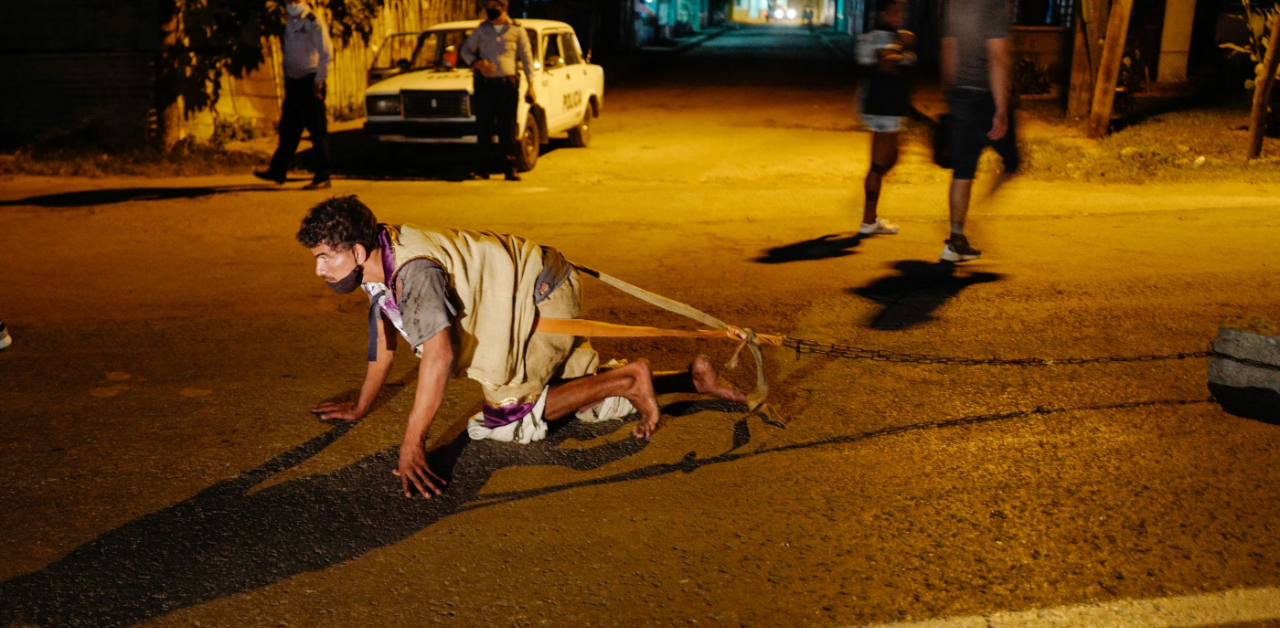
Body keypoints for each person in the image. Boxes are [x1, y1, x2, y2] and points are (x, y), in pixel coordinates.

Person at [298, 196, 746, 498]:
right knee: (579, 396)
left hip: (540, 297)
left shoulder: (413, 273)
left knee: (507, 417)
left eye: (324, 257)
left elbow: (440, 355)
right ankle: (691, 379)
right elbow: (384, 336)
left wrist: (413, 443)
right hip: (537, 283)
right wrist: (360, 405)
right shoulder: (377, 257)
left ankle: (630, 377)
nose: (319, 270)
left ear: (356, 253)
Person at [939, 0, 1018, 261]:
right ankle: (985, 205)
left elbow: (948, 49)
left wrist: (951, 95)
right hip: (985, 98)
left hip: (959, 95)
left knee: (962, 169)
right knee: (1013, 161)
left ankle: (956, 239)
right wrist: (1001, 109)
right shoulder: (993, 5)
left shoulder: (953, 5)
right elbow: (997, 57)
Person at [254, 0, 334, 190]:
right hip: (294, 83)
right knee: (289, 128)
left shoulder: (313, 21)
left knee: (317, 131)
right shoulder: (290, 21)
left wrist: (318, 82)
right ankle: (278, 170)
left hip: (311, 81)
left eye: (295, 0)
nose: (291, 3)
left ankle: (323, 175)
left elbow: (326, 53)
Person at [855, 0, 915, 237]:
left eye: (902, 10)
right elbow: (884, 63)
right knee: (879, 165)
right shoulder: (881, 37)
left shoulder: (880, 35)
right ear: (881, 12)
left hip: (885, 107)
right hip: (884, 108)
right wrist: (902, 44)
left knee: (890, 159)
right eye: (894, 10)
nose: (899, 14)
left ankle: (870, 209)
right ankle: (868, 220)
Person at [460, 0, 536, 182]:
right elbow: (465, 51)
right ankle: (482, 169)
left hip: (507, 85)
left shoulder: (517, 30)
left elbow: (527, 58)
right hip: (485, 85)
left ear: (504, 8)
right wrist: (477, 63)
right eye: (489, 5)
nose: (490, 9)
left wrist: (531, 86)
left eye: (495, 5)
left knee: (507, 127)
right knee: (484, 127)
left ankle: (509, 168)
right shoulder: (481, 30)